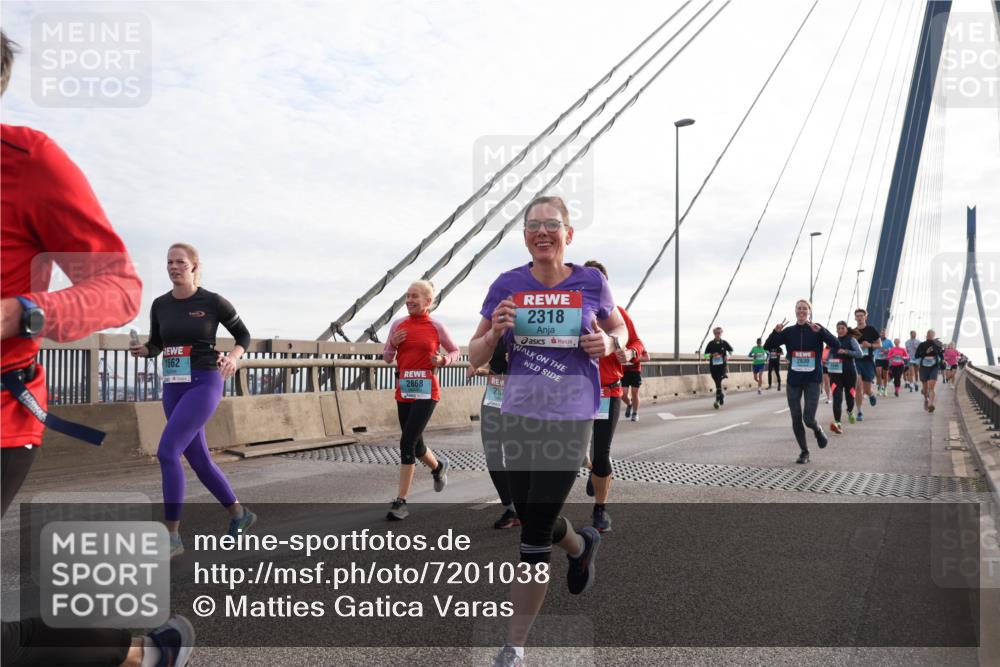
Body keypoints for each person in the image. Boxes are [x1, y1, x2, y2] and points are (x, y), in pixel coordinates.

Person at [1, 30, 193, 667]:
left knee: (174, 449)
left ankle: (126, 645)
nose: (173, 270)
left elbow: (119, 287)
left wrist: (28, 312)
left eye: (179, 262)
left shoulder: (27, 161)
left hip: (4, 419)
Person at [467, 196, 628, 666]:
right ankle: (580, 545)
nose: (543, 232)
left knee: (533, 533)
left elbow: (624, 335)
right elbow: (473, 356)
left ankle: (513, 646)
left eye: (552, 224)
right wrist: (495, 334)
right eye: (533, 225)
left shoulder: (591, 281)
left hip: (573, 413)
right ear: (525, 237)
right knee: (532, 510)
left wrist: (609, 342)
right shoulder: (507, 284)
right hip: (517, 414)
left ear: (569, 234)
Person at [130, 243, 255, 556]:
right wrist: (145, 350)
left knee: (168, 452)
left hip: (204, 382)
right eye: (169, 262)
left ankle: (172, 536)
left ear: (194, 266)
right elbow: (158, 343)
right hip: (173, 387)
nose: (174, 267)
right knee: (199, 460)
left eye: (180, 262)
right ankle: (240, 515)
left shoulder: (212, 302)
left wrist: (234, 358)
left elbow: (244, 336)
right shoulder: (160, 305)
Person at [381, 280, 459, 520]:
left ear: (428, 301)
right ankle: (438, 467)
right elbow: (386, 358)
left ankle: (400, 502)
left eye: (414, 296)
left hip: (427, 392)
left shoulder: (436, 326)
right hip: (404, 390)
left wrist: (444, 361)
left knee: (406, 442)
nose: (409, 300)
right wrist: (393, 344)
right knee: (416, 445)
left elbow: (455, 351)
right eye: (407, 296)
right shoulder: (397, 325)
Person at [582, 260, 645, 533]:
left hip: (608, 392)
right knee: (575, 452)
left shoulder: (617, 314)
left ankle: (600, 509)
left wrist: (628, 354)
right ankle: (595, 469)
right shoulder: (576, 314)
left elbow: (637, 344)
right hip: (577, 393)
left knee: (602, 451)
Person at [764, 299, 839, 464]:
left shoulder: (816, 329)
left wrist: (822, 332)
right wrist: (775, 332)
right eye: (799, 308)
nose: (801, 311)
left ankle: (817, 429)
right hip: (794, 380)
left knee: (808, 418)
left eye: (805, 309)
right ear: (795, 311)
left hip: (812, 379)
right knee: (796, 417)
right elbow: (767, 346)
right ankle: (804, 452)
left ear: (809, 312)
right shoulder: (789, 331)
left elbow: (836, 343)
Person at [473, 337, 519, 529]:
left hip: (520, 396)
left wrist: (520, 361)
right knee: (492, 453)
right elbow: (487, 357)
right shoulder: (498, 329)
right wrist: (477, 367)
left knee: (514, 455)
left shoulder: (534, 328)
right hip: (494, 395)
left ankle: (523, 506)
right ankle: (511, 507)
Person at [827, 321, 862, 434]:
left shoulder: (851, 340)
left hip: (849, 373)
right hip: (835, 374)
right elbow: (829, 356)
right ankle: (837, 423)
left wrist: (846, 351)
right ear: (836, 330)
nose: (841, 330)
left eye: (843, 328)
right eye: (839, 328)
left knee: (850, 397)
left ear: (846, 329)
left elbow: (860, 354)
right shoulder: (832, 341)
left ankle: (850, 411)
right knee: (837, 399)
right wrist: (826, 362)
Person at [853, 308, 881, 420]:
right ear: (855, 318)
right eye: (857, 316)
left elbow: (879, 344)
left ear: (865, 317)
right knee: (858, 386)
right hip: (856, 361)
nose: (859, 318)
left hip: (868, 361)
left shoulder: (871, 330)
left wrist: (870, 345)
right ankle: (859, 412)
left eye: (861, 316)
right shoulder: (852, 332)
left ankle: (871, 394)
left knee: (866, 389)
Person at [704, 327, 733, 409]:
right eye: (716, 333)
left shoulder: (724, 343)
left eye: (719, 333)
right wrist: (711, 355)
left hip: (722, 366)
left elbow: (731, 351)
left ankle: (717, 401)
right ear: (714, 334)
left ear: (721, 333)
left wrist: (727, 357)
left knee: (718, 382)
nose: (718, 334)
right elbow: (705, 355)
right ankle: (721, 395)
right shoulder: (710, 344)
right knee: (717, 383)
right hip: (713, 367)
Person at [915, 331, 944, 412]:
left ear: (934, 336)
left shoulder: (937, 344)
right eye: (929, 335)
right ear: (926, 335)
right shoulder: (922, 344)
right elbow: (916, 355)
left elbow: (941, 354)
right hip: (924, 367)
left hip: (934, 367)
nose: (931, 336)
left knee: (932, 386)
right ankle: (926, 399)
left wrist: (943, 359)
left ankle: (931, 404)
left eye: (932, 335)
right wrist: (926, 352)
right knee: (925, 388)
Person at [874, 329, 892, 396]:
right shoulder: (877, 341)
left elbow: (892, 349)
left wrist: (887, 351)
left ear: (885, 334)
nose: (883, 334)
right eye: (881, 333)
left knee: (885, 375)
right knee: (878, 373)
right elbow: (873, 348)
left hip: (885, 359)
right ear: (880, 334)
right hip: (878, 358)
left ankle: (885, 389)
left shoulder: (889, 341)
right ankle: (879, 388)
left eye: (884, 333)